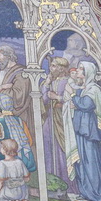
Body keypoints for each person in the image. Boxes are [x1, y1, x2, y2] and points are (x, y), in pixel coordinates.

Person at [64, 61, 101, 201]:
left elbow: (86, 105)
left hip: (89, 132)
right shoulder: (83, 88)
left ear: (88, 72)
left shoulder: (94, 89)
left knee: (91, 162)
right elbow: (76, 104)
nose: (78, 71)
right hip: (80, 130)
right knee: (80, 162)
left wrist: (72, 94)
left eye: (81, 69)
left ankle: (99, 194)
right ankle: (86, 192)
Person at [0, 45, 34, 140]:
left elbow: (19, 95)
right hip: (0, 115)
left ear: (8, 56)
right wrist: (2, 87)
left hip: (19, 115)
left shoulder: (21, 72)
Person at [40, 57, 72, 186]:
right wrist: (47, 84)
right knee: (48, 144)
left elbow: (73, 100)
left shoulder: (69, 82)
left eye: (53, 66)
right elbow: (44, 100)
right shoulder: (51, 82)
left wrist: (57, 97)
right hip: (50, 118)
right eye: (51, 65)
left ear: (62, 68)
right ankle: (51, 180)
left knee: (61, 149)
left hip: (63, 119)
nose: (50, 68)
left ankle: (66, 181)